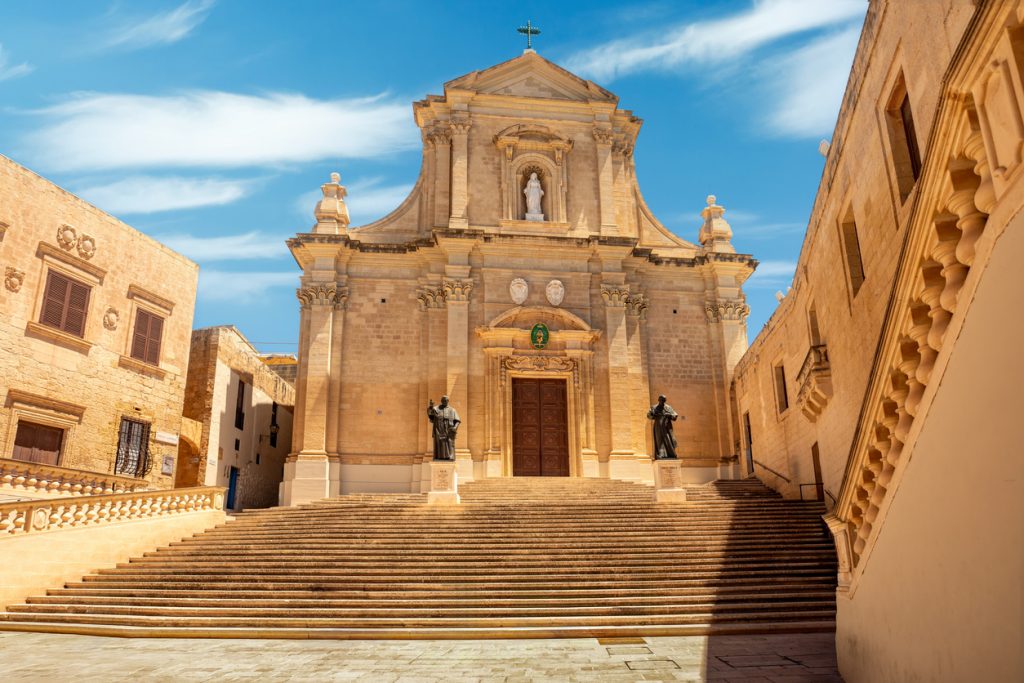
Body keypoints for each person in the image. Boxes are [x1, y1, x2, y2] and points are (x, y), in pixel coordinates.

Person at [648, 394, 683, 459]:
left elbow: (674, 415)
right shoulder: (654, 407)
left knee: (669, 439)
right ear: (658, 400)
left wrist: (669, 415)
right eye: (661, 400)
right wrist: (653, 414)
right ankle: (661, 454)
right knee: (659, 440)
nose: (662, 402)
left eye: (664, 400)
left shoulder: (668, 407)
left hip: (667, 426)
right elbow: (649, 415)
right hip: (658, 426)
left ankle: (671, 454)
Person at [428, 396, 460, 461]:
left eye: (446, 401)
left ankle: (450, 457)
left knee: (449, 443)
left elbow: (457, 421)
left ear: (448, 401)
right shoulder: (436, 409)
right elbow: (431, 415)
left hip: (449, 429)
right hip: (439, 429)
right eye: (443, 400)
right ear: (441, 401)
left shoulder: (452, 410)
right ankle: (439, 457)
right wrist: (430, 408)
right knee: (439, 443)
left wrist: (455, 427)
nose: (444, 402)